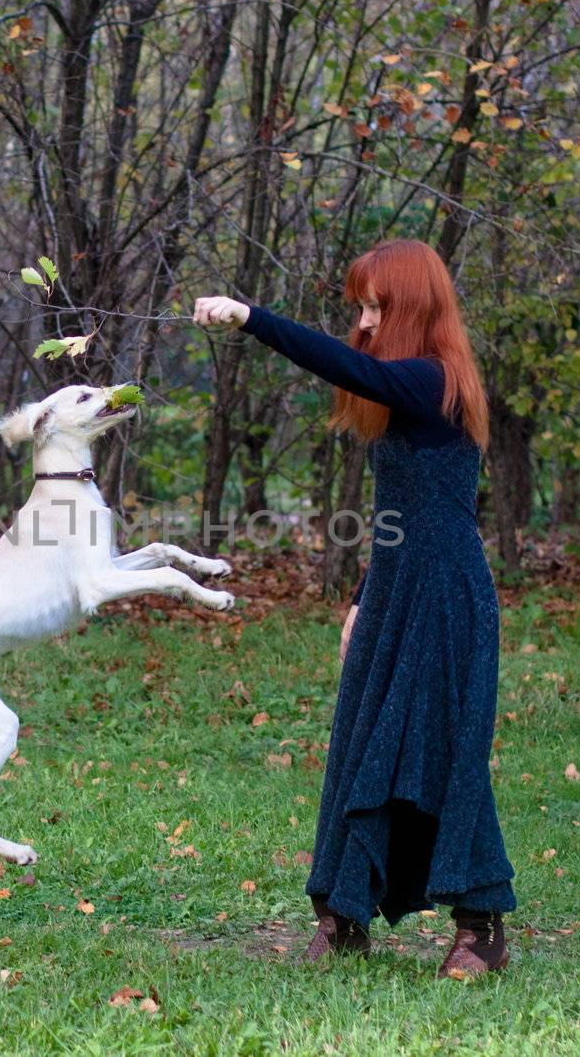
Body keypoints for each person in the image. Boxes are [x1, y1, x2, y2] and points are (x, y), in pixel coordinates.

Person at [193, 239, 514, 980]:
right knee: (361, 740)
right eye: (360, 308)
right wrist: (365, 595)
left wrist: (251, 318)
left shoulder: (436, 381)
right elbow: (403, 512)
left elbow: (354, 369)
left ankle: (482, 925)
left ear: (415, 308)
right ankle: (343, 917)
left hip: (446, 595)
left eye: (377, 307)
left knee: (439, 749)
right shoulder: (405, 396)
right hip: (398, 587)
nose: (365, 322)